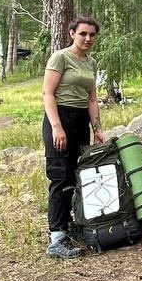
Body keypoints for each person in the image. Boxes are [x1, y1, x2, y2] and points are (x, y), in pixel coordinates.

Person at [42, 15, 107, 259]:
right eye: (83, 34)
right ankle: (56, 238)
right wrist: (56, 127)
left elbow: (91, 98)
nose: (88, 38)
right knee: (60, 177)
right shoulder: (61, 57)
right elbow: (47, 93)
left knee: (77, 175)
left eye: (92, 34)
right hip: (60, 119)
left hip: (80, 121)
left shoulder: (91, 63)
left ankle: (70, 225)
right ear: (72, 34)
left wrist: (97, 128)